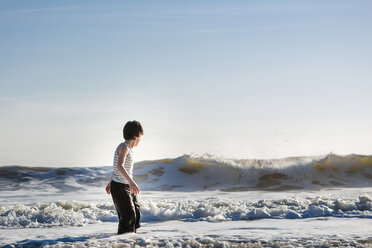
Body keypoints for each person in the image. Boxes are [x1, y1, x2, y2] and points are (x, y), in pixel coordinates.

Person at [105, 120, 143, 234]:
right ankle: (122, 242)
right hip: (120, 187)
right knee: (128, 216)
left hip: (124, 185)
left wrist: (110, 181)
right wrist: (131, 182)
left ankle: (133, 240)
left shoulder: (129, 149)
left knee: (136, 212)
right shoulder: (124, 147)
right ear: (138, 134)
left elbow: (116, 168)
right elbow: (119, 166)